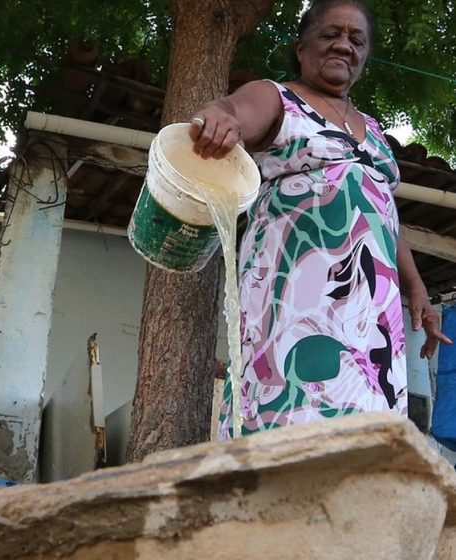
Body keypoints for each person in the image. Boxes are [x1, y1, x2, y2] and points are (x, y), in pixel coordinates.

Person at [188, 0, 452, 438]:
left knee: (365, 413)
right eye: (331, 34)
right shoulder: (277, 96)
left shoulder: (373, 127)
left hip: (371, 308)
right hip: (297, 292)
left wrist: (417, 288)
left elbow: (383, 212)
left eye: (356, 40)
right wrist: (220, 117)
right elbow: (236, 109)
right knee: (291, 400)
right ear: (301, 47)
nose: (344, 46)